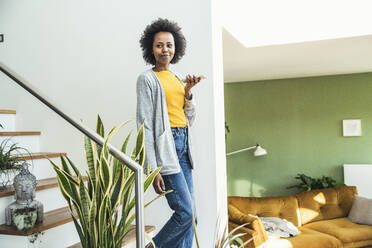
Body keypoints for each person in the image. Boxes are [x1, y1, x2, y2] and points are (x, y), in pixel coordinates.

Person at [136, 18, 203, 248]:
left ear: (176, 48)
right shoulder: (147, 79)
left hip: (184, 147)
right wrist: (152, 169)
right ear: (151, 49)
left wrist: (188, 94)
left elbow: (188, 120)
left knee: (192, 218)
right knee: (185, 213)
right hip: (167, 149)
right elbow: (144, 125)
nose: (165, 49)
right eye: (159, 45)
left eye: (169, 45)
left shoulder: (177, 78)